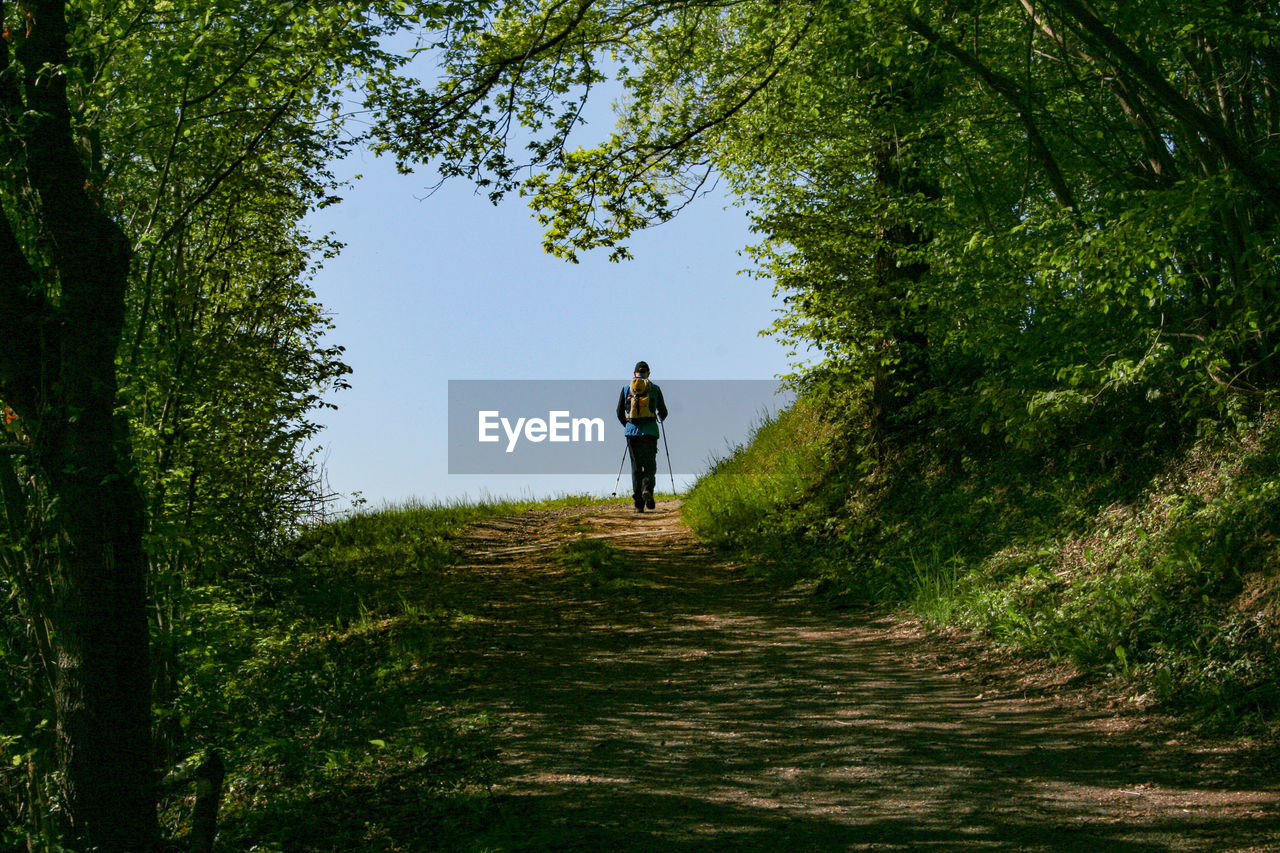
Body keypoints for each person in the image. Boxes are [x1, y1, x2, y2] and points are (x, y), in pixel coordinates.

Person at [616, 361, 668, 512]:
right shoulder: (655, 389)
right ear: (648, 374)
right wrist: (659, 416)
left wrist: (628, 426)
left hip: (632, 433)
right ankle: (648, 490)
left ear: (634, 374)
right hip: (650, 432)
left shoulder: (626, 389)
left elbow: (619, 412)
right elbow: (664, 412)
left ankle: (639, 504)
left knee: (636, 467)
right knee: (650, 464)